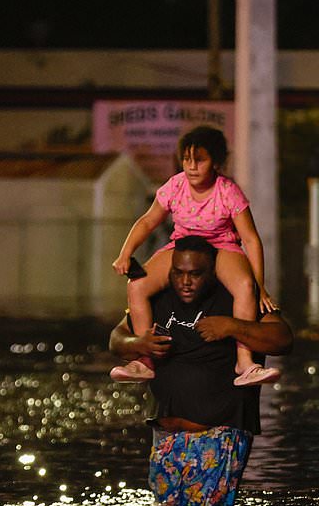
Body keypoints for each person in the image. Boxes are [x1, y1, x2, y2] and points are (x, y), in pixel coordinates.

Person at [108, 235, 293, 506]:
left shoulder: (238, 297)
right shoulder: (157, 297)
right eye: (178, 273)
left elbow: (282, 338)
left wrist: (232, 327)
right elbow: (117, 338)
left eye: (195, 274)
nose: (185, 281)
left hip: (218, 433)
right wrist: (138, 344)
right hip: (166, 436)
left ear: (213, 273)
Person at [110, 125, 278, 386]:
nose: (192, 166)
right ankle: (144, 361)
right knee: (137, 285)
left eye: (199, 159)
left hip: (220, 246)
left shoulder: (228, 191)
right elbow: (147, 221)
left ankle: (244, 362)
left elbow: (250, 239)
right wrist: (125, 253)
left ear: (216, 161)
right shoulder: (175, 186)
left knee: (245, 286)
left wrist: (260, 286)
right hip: (183, 247)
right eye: (186, 159)